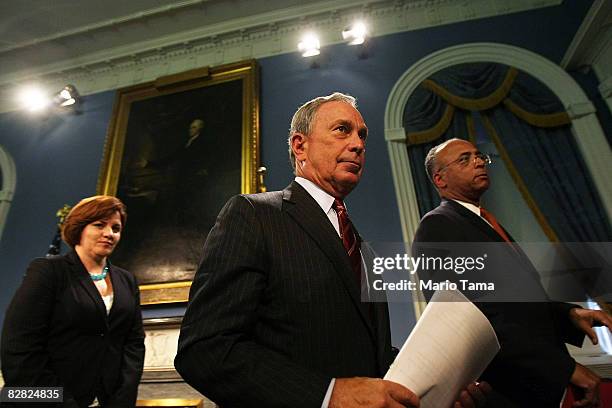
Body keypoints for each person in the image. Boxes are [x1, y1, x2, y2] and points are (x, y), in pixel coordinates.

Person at [175, 93, 488, 407]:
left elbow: (371, 356)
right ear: (301, 146)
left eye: (362, 135)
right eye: (342, 130)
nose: (358, 144)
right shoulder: (253, 215)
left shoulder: (364, 251)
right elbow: (205, 348)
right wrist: (328, 395)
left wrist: (436, 385)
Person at [413, 138, 612, 407]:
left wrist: (570, 314)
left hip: (538, 385)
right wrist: (562, 368)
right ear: (440, 179)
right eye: (464, 159)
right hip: (507, 390)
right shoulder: (438, 226)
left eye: (479, 155)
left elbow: (518, 306)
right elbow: (472, 319)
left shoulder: (487, 222)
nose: (480, 161)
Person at [1, 195, 145, 407]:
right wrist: (63, 402)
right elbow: (19, 346)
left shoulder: (127, 281)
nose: (109, 234)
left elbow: (133, 345)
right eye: (99, 225)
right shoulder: (48, 271)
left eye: (116, 228)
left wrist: (122, 399)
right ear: (79, 228)